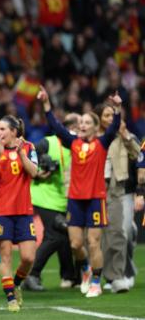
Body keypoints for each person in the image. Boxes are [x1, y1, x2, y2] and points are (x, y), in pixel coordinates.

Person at [37, 86, 121, 298]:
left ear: (95, 127)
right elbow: (56, 127)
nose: (81, 125)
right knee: (75, 244)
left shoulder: (102, 143)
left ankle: (95, 281)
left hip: (95, 199)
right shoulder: (73, 143)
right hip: (75, 200)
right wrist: (46, 105)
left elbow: (114, 127)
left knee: (93, 243)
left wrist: (117, 109)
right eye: (80, 122)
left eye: (86, 123)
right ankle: (85, 269)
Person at [25, 114, 79, 291]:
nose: (80, 130)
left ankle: (69, 277)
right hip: (44, 196)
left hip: (64, 199)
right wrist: (40, 167)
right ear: (69, 128)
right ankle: (32, 274)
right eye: (78, 127)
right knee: (56, 235)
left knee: (64, 236)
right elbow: (30, 156)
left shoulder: (79, 146)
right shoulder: (48, 142)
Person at [0, 116, 38, 312]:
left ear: (13, 131)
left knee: (28, 258)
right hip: (1, 211)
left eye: (2, 129)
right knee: (6, 255)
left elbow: (34, 172)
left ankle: (16, 282)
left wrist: (21, 155)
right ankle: (10, 296)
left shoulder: (28, 147)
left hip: (24, 211)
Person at [94, 104, 140, 293]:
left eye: (113, 115)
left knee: (123, 233)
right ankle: (108, 275)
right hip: (95, 189)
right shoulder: (92, 138)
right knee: (101, 238)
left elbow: (139, 155)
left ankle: (121, 274)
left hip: (120, 189)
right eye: (106, 115)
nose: (110, 119)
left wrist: (126, 136)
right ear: (98, 118)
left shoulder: (124, 136)